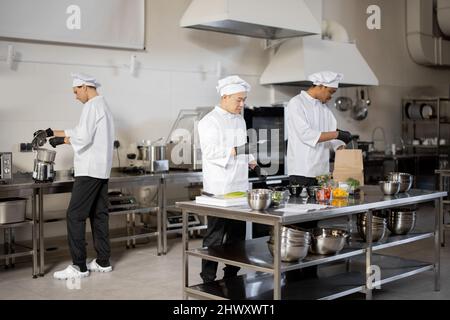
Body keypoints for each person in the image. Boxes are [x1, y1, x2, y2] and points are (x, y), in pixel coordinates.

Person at [35, 73, 115, 280]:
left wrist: (62, 141)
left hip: (88, 170)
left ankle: (79, 266)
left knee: (75, 215)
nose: (75, 96)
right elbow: (81, 130)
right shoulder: (103, 105)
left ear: (85, 87)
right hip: (101, 170)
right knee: (99, 215)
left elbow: (83, 137)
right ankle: (103, 261)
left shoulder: (91, 106)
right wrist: (51, 131)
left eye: (76, 91)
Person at [286, 71, 353, 279]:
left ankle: (309, 274)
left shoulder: (324, 110)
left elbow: (334, 138)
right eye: (330, 92)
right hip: (301, 174)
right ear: (321, 86)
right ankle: (293, 274)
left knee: (314, 225)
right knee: (298, 227)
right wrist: (338, 134)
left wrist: (343, 152)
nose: (330, 97)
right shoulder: (296, 104)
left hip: (321, 175)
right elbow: (308, 136)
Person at [197, 75, 258, 283]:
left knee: (237, 236)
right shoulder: (209, 121)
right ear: (225, 96)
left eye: (244, 100)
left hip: (239, 186)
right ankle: (207, 279)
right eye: (238, 100)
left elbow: (243, 145)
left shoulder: (240, 119)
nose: (242, 104)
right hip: (219, 188)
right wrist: (235, 150)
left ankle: (231, 277)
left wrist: (251, 159)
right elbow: (210, 151)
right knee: (215, 236)